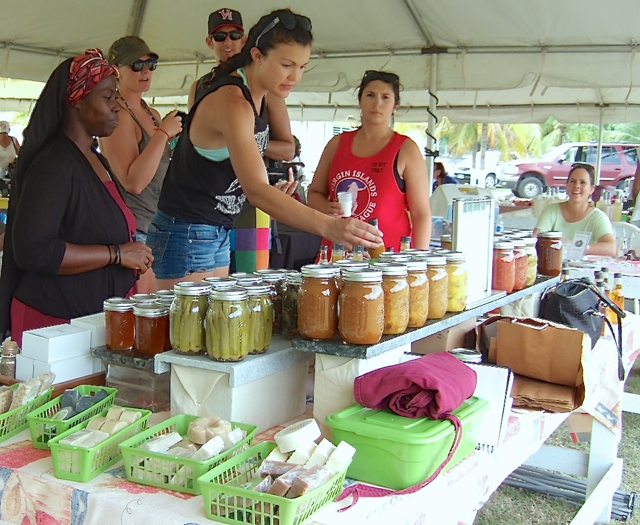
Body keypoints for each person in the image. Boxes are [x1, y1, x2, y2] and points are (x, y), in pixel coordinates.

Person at [147, 9, 382, 289]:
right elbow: (257, 189)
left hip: (213, 228)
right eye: (286, 65)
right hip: (188, 230)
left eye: (303, 66)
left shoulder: (258, 98)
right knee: (188, 331)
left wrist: (271, 192)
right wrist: (329, 226)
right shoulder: (233, 101)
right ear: (257, 55)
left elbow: (248, 177)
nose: (295, 76)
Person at [0, 49, 153, 344]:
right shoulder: (55, 164)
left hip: (83, 320)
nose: (117, 107)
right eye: (108, 98)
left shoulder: (91, 157)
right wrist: (118, 254)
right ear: (77, 102)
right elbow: (34, 250)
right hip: (51, 326)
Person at [307, 70, 432, 252]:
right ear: (360, 100)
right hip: (338, 255)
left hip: (388, 261)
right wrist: (327, 207)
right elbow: (314, 194)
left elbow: (421, 214)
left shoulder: (406, 150)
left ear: (395, 106)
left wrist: (420, 262)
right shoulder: (336, 145)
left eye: (385, 97)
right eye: (370, 95)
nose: (377, 103)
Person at [99, 36, 182, 293]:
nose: (145, 71)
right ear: (116, 71)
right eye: (136, 65)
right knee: (143, 318)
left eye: (151, 64)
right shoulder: (119, 117)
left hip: (159, 225)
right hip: (134, 232)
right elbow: (133, 182)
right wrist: (162, 135)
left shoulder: (150, 113)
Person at [188, 8, 295, 162]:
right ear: (209, 42)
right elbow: (192, 142)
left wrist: (243, 142)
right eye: (220, 37)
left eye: (235, 36)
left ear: (243, 40)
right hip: (208, 180)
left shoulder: (263, 84)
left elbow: (288, 150)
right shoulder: (199, 87)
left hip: (251, 179)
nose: (228, 42)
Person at [533, 162, 616, 256]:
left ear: (591, 189)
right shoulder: (551, 211)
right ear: (567, 185)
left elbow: (611, 248)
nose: (576, 186)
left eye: (582, 182)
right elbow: (535, 239)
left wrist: (574, 247)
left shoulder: (597, 217)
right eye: (572, 181)